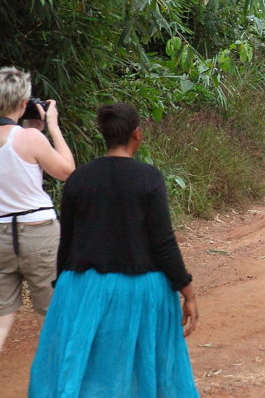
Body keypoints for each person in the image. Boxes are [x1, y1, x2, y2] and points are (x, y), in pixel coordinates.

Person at [30, 103, 199, 397]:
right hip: (139, 290)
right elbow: (163, 242)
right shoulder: (149, 178)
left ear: (104, 135)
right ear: (137, 134)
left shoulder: (78, 179)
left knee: (87, 368)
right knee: (140, 367)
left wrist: (64, 291)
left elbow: (66, 241)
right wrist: (187, 290)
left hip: (82, 286)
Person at [0, 67, 74, 354]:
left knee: (2, 314)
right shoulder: (30, 138)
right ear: (23, 104)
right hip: (38, 232)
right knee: (53, 312)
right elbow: (66, 171)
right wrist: (52, 126)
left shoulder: (29, 136)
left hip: (1, 234)